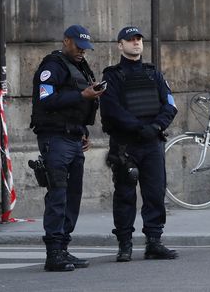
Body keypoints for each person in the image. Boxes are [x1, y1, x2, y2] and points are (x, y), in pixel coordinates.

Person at [100, 26, 178, 262]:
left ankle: (154, 241)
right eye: (130, 40)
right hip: (125, 144)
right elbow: (111, 109)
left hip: (152, 142)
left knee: (155, 193)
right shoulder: (111, 76)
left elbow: (170, 105)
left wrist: (155, 127)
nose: (136, 43)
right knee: (124, 195)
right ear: (120, 45)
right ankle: (125, 244)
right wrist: (138, 128)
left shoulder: (153, 73)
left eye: (138, 39)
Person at [30, 25, 104, 272]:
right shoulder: (53, 66)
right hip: (55, 138)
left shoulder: (79, 67)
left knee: (73, 195)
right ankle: (53, 253)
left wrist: (83, 130)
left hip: (73, 137)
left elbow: (78, 106)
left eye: (86, 48)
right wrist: (82, 95)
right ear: (66, 41)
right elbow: (46, 99)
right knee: (58, 194)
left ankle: (63, 247)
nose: (83, 51)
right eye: (79, 46)